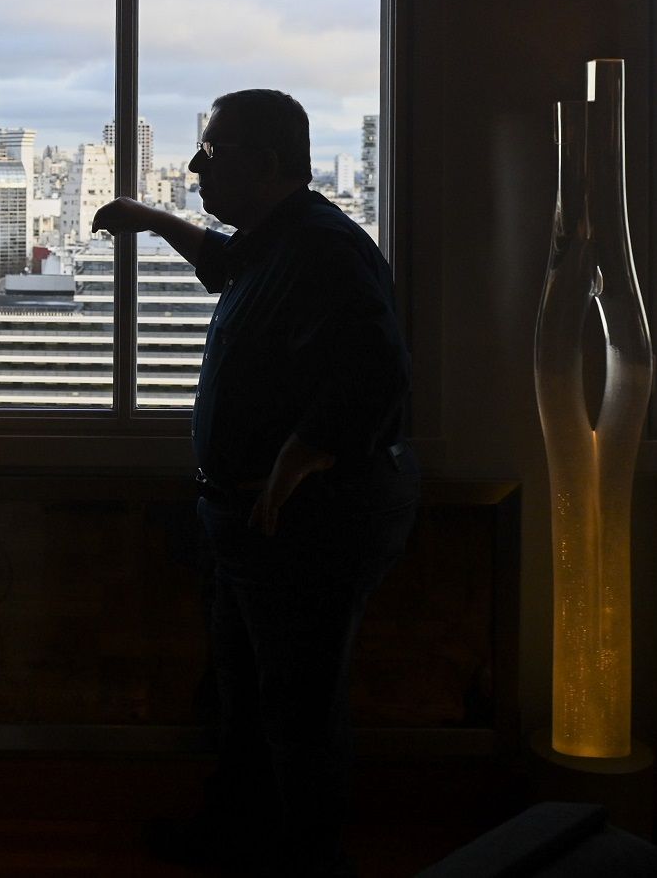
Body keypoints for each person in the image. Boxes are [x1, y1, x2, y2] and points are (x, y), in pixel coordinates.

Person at [92, 88, 419, 878]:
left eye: (213, 152)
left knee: (294, 707)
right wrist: (150, 217)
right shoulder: (281, 239)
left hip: (304, 527)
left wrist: (296, 457)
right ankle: (237, 840)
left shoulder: (324, 249)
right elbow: (225, 265)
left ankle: (303, 857)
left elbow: (379, 374)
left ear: (267, 162)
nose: (197, 166)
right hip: (256, 524)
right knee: (248, 697)